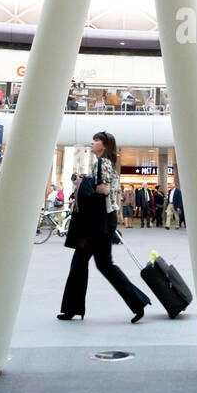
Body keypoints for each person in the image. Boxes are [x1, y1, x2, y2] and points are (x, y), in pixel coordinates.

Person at [58, 131, 151, 322]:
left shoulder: (102, 164)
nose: (92, 143)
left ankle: (137, 301)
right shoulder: (107, 165)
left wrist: (82, 182)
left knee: (94, 265)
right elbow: (105, 190)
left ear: (105, 146)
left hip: (96, 223)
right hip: (100, 222)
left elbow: (103, 190)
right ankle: (73, 308)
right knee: (92, 265)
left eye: (96, 141)